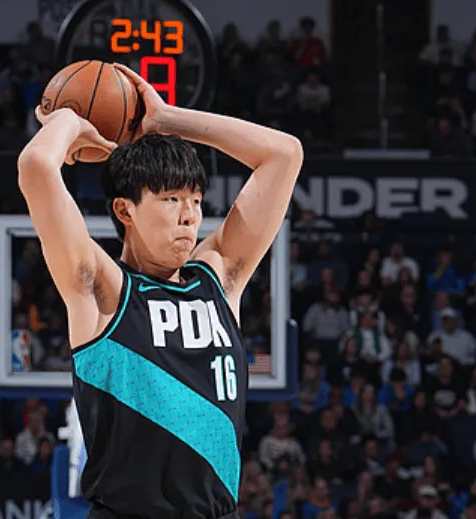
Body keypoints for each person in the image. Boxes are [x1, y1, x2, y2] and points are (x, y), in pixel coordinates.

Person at [17, 63, 303, 519]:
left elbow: (284, 154)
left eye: (195, 200)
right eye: (171, 200)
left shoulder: (218, 277)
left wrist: (167, 119)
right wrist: (67, 120)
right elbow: (35, 167)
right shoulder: (104, 291)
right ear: (124, 210)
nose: (190, 215)